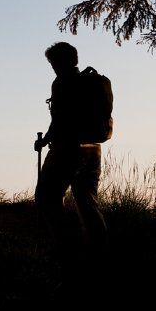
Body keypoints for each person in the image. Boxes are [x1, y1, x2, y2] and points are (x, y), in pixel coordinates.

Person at [33, 41, 109, 252]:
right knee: (87, 201)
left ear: (57, 62)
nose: (52, 66)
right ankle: (98, 250)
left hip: (68, 149)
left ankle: (68, 247)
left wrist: (46, 139)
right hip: (93, 148)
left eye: (52, 62)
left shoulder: (62, 82)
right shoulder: (92, 80)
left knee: (47, 197)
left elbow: (59, 119)